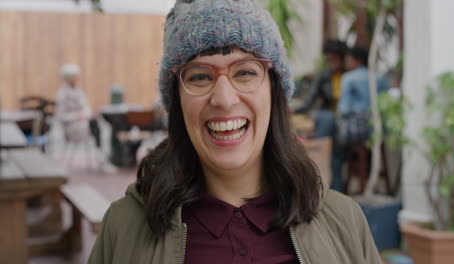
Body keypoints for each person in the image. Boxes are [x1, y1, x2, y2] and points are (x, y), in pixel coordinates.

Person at [88, 1, 381, 263]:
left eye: (245, 72)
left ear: (274, 91)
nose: (225, 99)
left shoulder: (344, 221)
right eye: (200, 76)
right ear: (177, 100)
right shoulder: (124, 227)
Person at [294, 39, 347, 137]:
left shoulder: (348, 76)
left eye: (335, 59)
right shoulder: (323, 77)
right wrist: (295, 110)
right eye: (329, 60)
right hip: (327, 115)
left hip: (345, 117)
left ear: (342, 58)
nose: (332, 63)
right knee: (327, 119)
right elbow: (310, 100)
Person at [55, 64, 92, 144]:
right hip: (71, 127)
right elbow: (61, 116)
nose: (77, 79)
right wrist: (77, 116)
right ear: (68, 78)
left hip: (84, 123)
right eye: (74, 77)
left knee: (94, 123)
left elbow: (86, 108)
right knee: (92, 125)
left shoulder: (79, 91)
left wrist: (85, 115)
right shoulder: (62, 94)